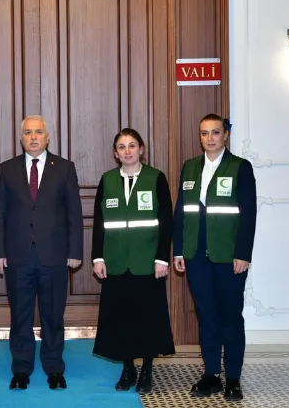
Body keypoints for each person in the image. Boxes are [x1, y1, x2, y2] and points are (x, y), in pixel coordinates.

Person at [0, 115, 84, 390]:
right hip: (17, 256)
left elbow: (74, 213)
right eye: (28, 132)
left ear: (47, 137)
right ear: (21, 138)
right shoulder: (7, 169)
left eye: (38, 132)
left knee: (53, 315)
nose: (33, 137)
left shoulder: (65, 168)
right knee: (20, 315)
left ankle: (54, 368)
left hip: (54, 255)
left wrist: (75, 250)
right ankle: (21, 369)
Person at [173, 114, 257, 401]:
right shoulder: (190, 167)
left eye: (215, 132)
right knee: (206, 315)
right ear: (200, 137)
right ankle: (211, 374)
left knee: (230, 316)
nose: (210, 138)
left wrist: (243, 253)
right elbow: (181, 212)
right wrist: (179, 250)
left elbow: (248, 215)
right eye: (205, 133)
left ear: (225, 135)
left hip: (228, 256)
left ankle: (233, 378)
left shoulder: (240, 167)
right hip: (196, 256)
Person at [91, 128, 175, 394]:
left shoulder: (156, 178)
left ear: (141, 149)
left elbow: (166, 221)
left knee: (147, 318)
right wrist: (98, 257)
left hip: (147, 263)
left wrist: (162, 258)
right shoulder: (107, 180)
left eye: (131, 145)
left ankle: (147, 368)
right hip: (116, 263)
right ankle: (128, 368)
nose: (127, 151)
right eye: (121, 147)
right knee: (121, 318)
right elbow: (99, 223)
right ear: (115, 153)